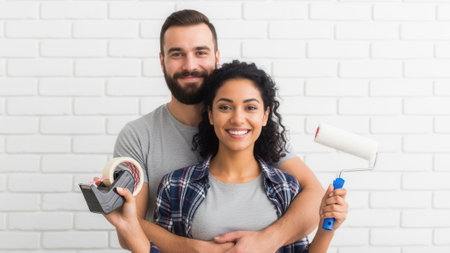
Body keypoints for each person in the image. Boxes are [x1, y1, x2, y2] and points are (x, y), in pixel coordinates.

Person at [111, 9, 324, 252]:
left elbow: (314, 196)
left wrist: (267, 240)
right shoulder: (138, 137)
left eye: (200, 52)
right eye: (177, 54)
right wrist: (197, 249)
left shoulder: (248, 128)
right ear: (162, 61)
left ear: (216, 57)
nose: (189, 65)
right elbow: (129, 227)